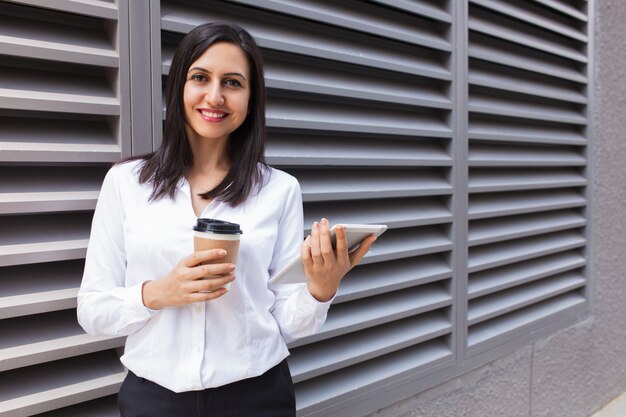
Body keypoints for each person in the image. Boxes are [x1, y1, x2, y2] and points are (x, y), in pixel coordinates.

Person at [77, 22, 376, 417]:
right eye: (200, 77)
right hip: (154, 398)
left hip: (257, 396)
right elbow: (92, 310)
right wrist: (158, 292)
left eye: (233, 82)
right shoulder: (126, 183)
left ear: (251, 100)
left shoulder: (280, 190)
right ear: (179, 87)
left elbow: (287, 321)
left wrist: (320, 289)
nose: (214, 96)